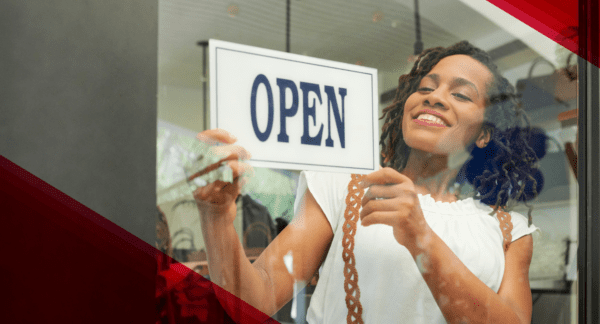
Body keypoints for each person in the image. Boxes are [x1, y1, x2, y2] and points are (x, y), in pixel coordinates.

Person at [193, 41, 541, 323]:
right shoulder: (344, 185)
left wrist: (422, 238)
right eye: (426, 87)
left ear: (484, 135)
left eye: (461, 95)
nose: (434, 97)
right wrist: (216, 215)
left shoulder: (509, 232)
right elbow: (254, 301)